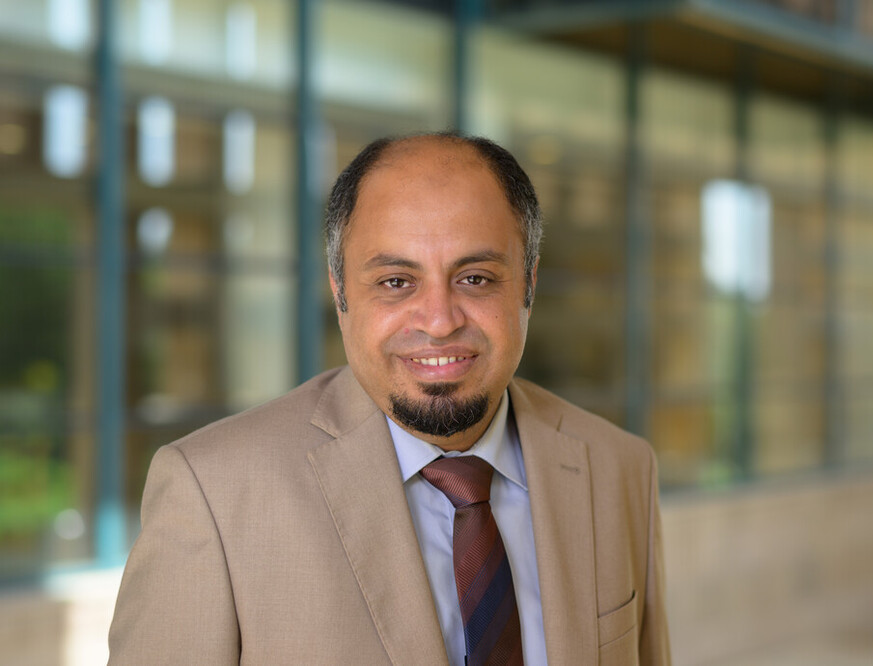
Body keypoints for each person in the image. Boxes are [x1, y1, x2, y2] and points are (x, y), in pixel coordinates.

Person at [108, 132, 670, 665]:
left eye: (475, 278)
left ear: (528, 283)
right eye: (396, 281)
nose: (440, 320)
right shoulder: (213, 492)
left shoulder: (620, 466)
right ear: (340, 292)